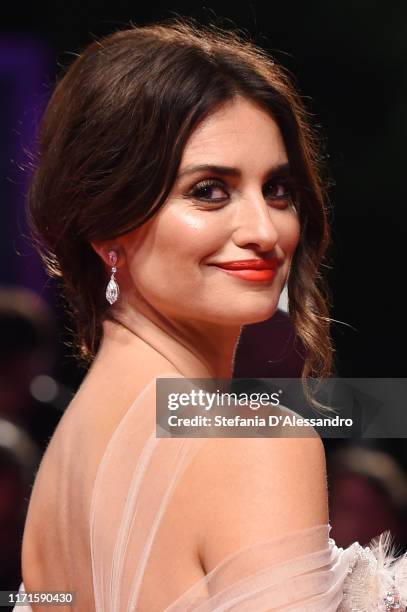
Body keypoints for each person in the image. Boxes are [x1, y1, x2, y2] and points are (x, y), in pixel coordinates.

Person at [16, 17, 406, 611]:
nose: (263, 230)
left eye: (277, 190)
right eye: (209, 191)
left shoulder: (63, 460)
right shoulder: (251, 439)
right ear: (105, 224)